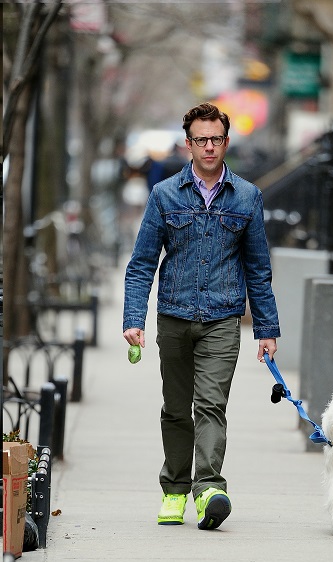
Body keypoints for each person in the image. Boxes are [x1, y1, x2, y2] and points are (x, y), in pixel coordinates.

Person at [122, 102, 280, 530]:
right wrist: (133, 318)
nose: (209, 147)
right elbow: (142, 263)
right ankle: (174, 490)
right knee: (176, 409)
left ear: (226, 142)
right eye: (201, 140)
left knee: (211, 405)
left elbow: (258, 268)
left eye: (216, 139)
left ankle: (209, 487)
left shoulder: (247, 196)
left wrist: (266, 329)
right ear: (188, 144)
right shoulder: (165, 194)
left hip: (222, 320)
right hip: (173, 317)